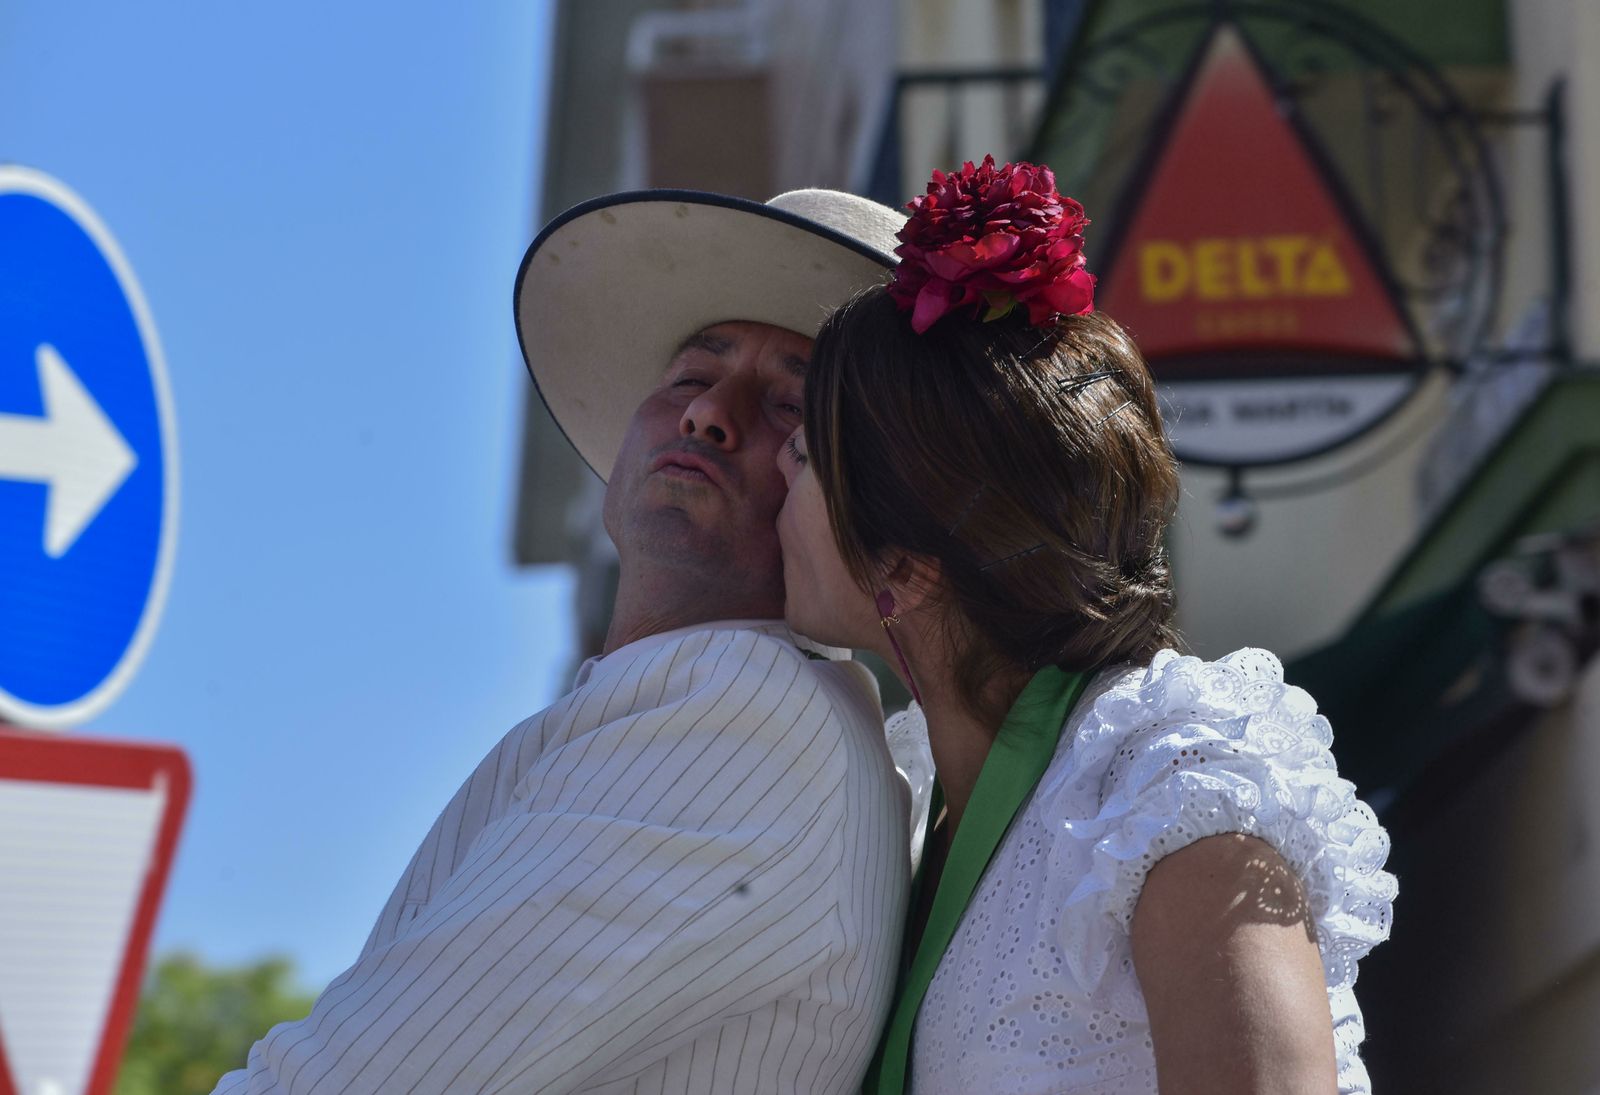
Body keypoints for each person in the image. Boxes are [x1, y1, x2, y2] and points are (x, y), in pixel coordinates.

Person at [211, 187, 914, 1094]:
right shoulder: (714, 701)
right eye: (690, 379)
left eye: (787, 405)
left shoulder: (742, 710)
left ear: (845, 492)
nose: (708, 416)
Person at [774, 157, 1397, 1094]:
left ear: (903, 560)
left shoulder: (1167, 773)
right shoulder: (911, 803)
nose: (777, 488)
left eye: (800, 454)